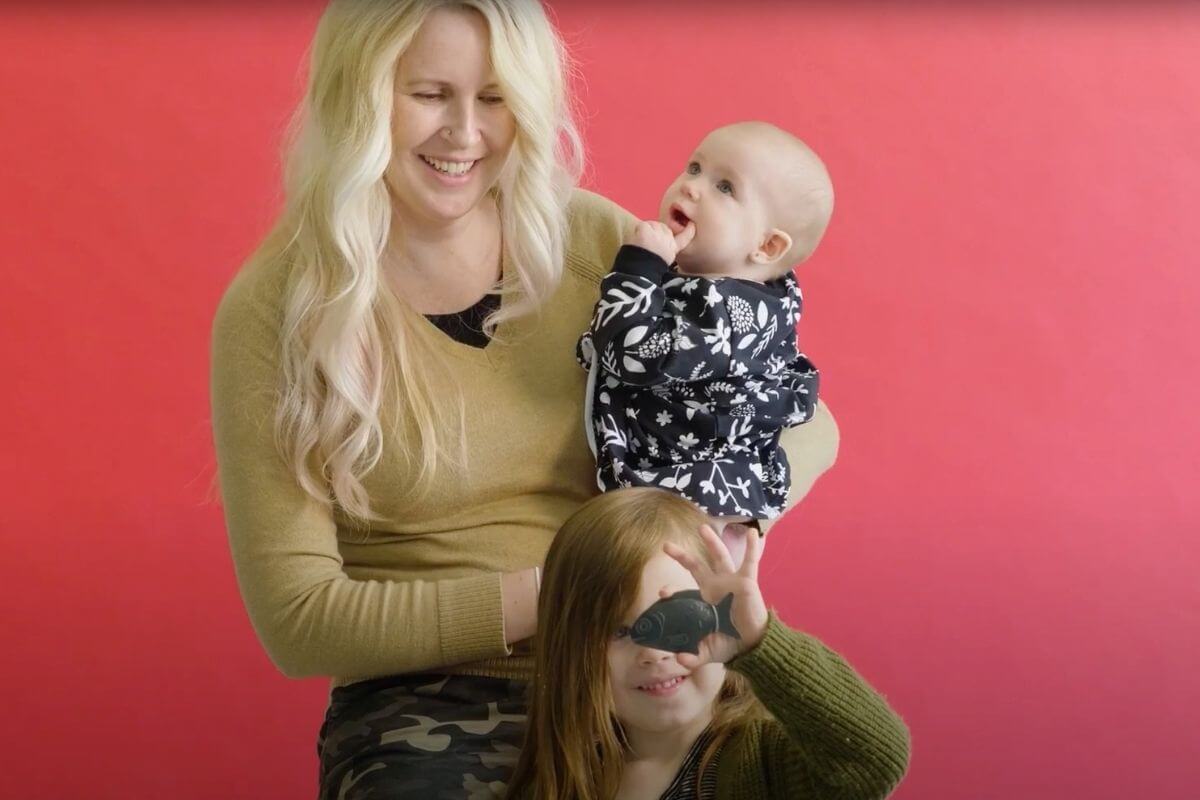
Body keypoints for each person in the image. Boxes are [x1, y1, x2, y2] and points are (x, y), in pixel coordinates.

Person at [210, 1, 839, 797]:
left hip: (644, 669)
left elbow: (808, 425)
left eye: (497, 96)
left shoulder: (595, 244)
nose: (464, 133)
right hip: (435, 696)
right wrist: (571, 590)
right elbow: (301, 622)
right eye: (429, 94)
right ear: (356, 93)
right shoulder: (278, 311)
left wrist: (714, 530)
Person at [507, 488, 910, 800]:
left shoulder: (762, 759)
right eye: (617, 632)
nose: (654, 653)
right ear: (571, 650)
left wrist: (760, 641)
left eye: (678, 619)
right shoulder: (567, 775)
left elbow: (874, 759)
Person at [578, 121, 833, 525]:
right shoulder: (754, 295)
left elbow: (629, 353)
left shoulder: (727, 317)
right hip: (693, 491)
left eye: (726, 188)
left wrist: (638, 269)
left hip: (682, 501)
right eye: (695, 167)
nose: (691, 187)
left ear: (767, 246)